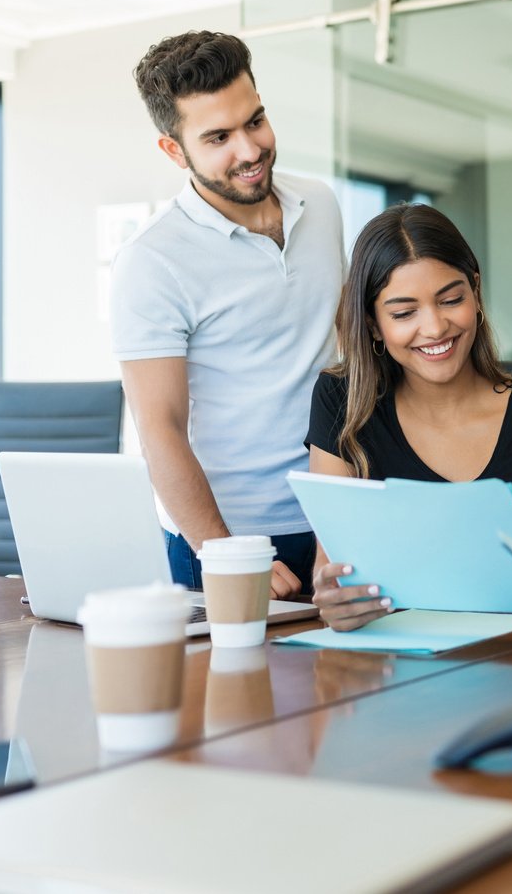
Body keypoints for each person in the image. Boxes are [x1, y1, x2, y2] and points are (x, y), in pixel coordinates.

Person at [307, 203, 512, 630]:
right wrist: (335, 598)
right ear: (373, 324)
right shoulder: (343, 402)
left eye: (451, 299)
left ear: (476, 293)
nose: (435, 327)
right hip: (391, 663)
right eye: (404, 313)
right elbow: (329, 563)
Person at [111, 30, 343, 599]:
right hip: (225, 534)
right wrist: (224, 553)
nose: (249, 149)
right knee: (231, 689)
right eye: (218, 137)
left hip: (334, 518)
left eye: (255, 121)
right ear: (174, 150)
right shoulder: (152, 261)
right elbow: (158, 428)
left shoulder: (322, 205)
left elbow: (349, 355)